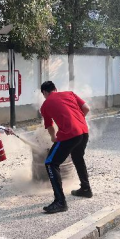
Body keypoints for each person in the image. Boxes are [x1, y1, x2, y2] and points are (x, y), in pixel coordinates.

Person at [40, 81, 91, 214]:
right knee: (77, 157)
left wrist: (53, 137)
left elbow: (50, 126)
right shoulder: (70, 94)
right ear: (55, 89)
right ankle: (86, 189)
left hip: (70, 134)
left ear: (44, 92)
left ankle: (60, 202)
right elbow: (86, 108)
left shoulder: (45, 104)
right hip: (84, 131)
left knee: (50, 163)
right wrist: (77, 120)